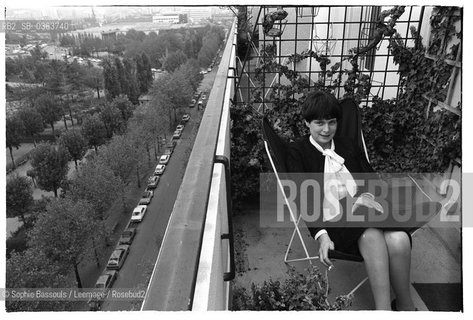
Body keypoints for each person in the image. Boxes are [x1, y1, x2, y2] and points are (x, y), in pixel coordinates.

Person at [286, 90, 416, 311]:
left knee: (400, 240)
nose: (326, 129)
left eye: (332, 122)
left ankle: (405, 306)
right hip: (335, 218)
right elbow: (304, 200)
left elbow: (371, 179)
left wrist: (369, 197)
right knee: (372, 235)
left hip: (366, 208)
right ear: (307, 123)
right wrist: (322, 236)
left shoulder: (347, 144)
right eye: (319, 123)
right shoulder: (297, 152)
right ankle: (383, 311)